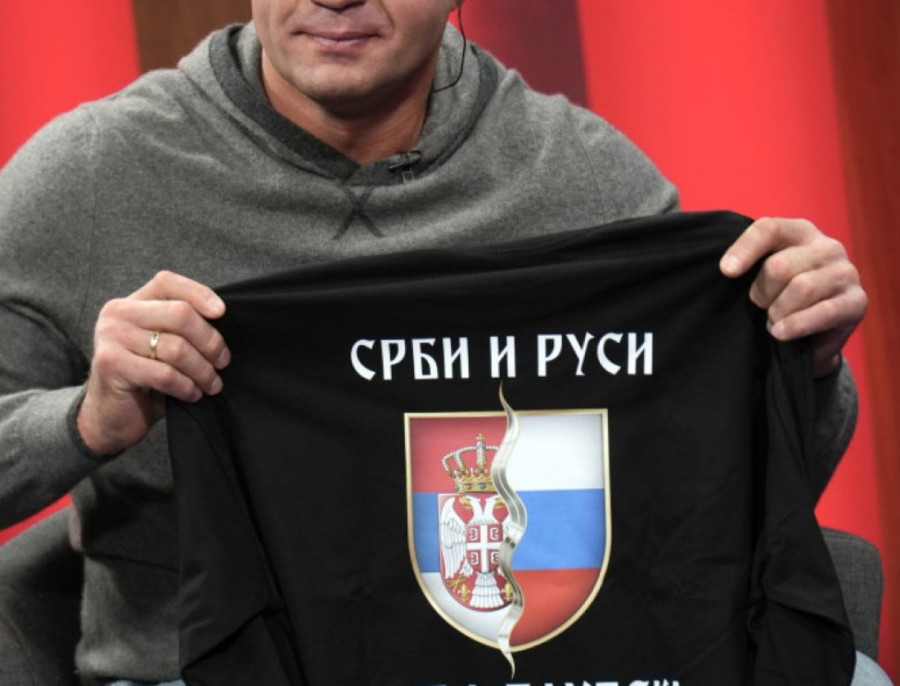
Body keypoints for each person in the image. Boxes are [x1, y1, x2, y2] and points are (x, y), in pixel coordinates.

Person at [0, 1, 874, 684]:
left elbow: (723, 487)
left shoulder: (584, 178)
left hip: (546, 665)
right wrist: (87, 419)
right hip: (209, 669)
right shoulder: (91, 175)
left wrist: (803, 359)